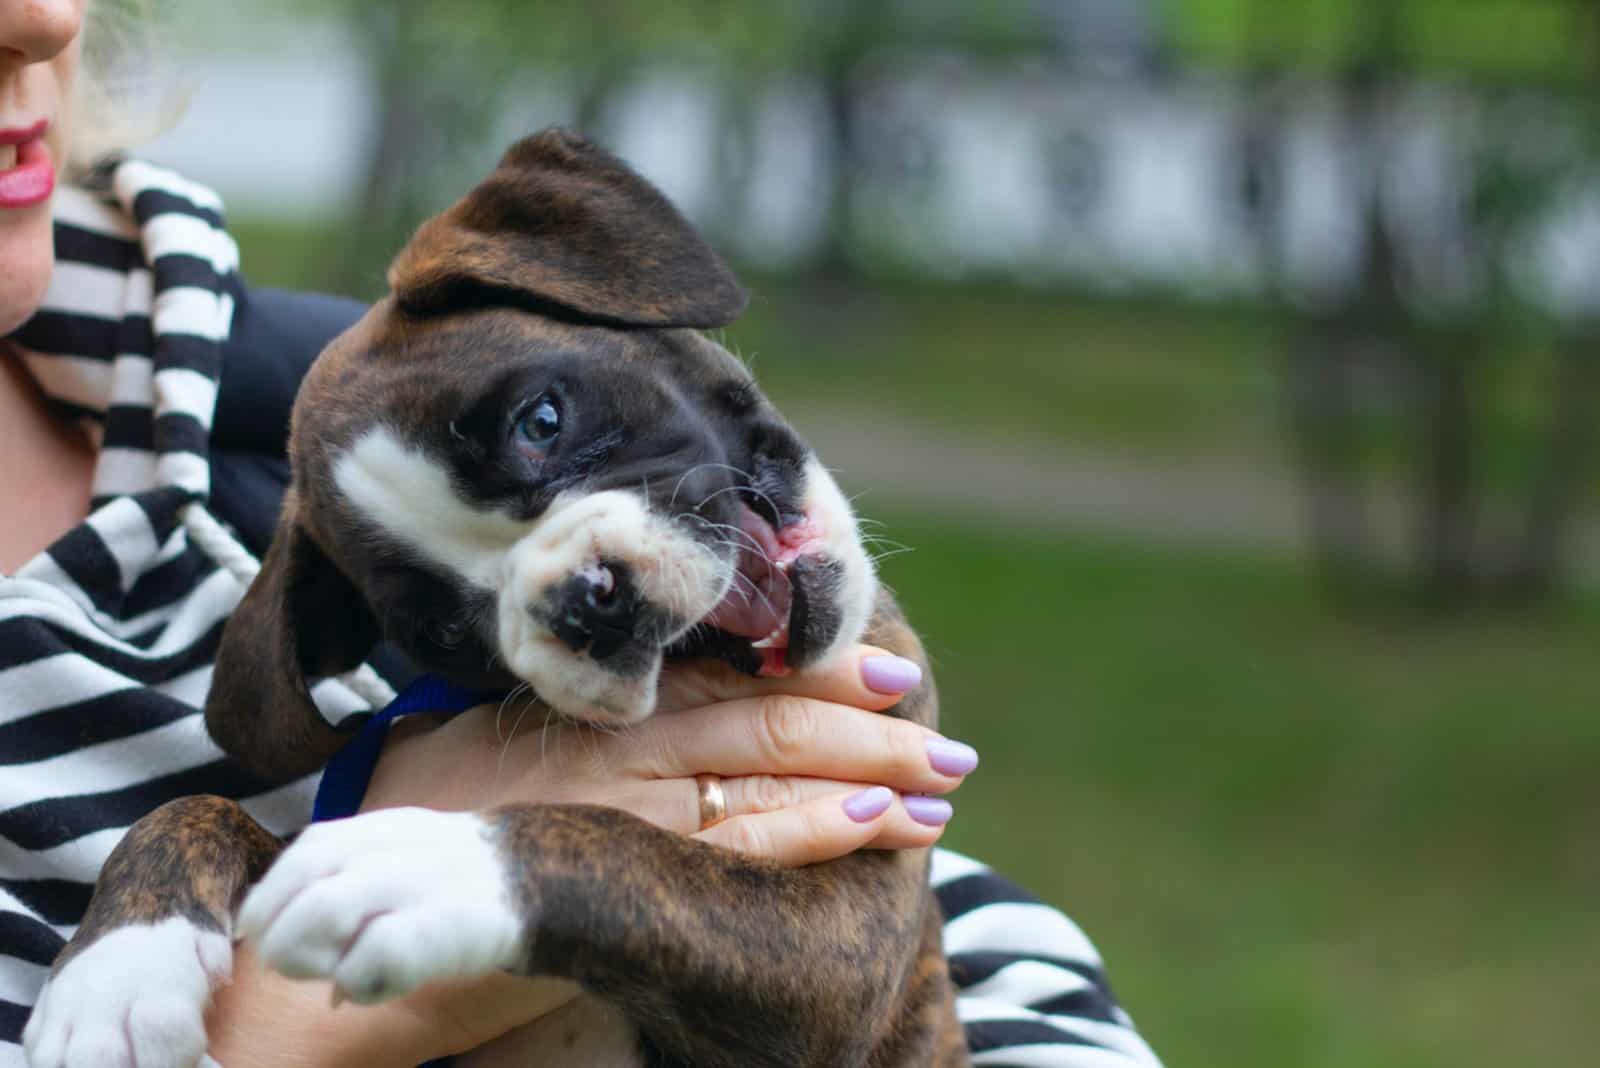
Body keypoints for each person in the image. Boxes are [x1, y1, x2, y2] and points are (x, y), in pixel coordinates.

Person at [0, 1, 1162, 1065]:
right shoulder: (333, 553)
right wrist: (205, 910)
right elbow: (339, 864)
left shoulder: (249, 397)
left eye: (544, 423)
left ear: (604, 268)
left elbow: (876, 969)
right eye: (456, 623)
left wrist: (521, 868)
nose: (571, 580)